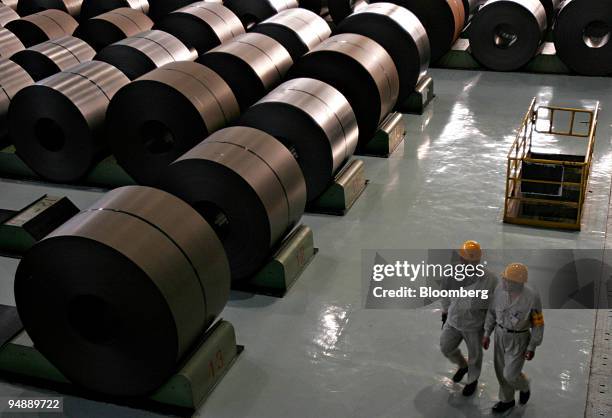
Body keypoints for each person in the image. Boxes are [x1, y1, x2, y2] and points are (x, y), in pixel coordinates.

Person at [482, 262, 544, 413]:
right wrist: (487, 333)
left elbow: (538, 324)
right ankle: (507, 400)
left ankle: (523, 386)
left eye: (508, 280)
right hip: (500, 334)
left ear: (518, 283)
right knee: (500, 371)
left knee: (510, 374)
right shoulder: (499, 290)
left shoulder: (532, 298)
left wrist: (532, 346)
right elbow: (491, 313)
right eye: (504, 279)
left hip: (519, 339)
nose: (503, 282)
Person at [440, 240, 498, 396]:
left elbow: (494, 307)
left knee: (475, 356)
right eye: (464, 261)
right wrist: (445, 311)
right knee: (446, 347)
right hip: (453, 320)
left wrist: (487, 330)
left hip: (474, 326)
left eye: (471, 262)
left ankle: (472, 380)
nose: (466, 265)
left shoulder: (490, 280)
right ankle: (462, 365)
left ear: (477, 261)